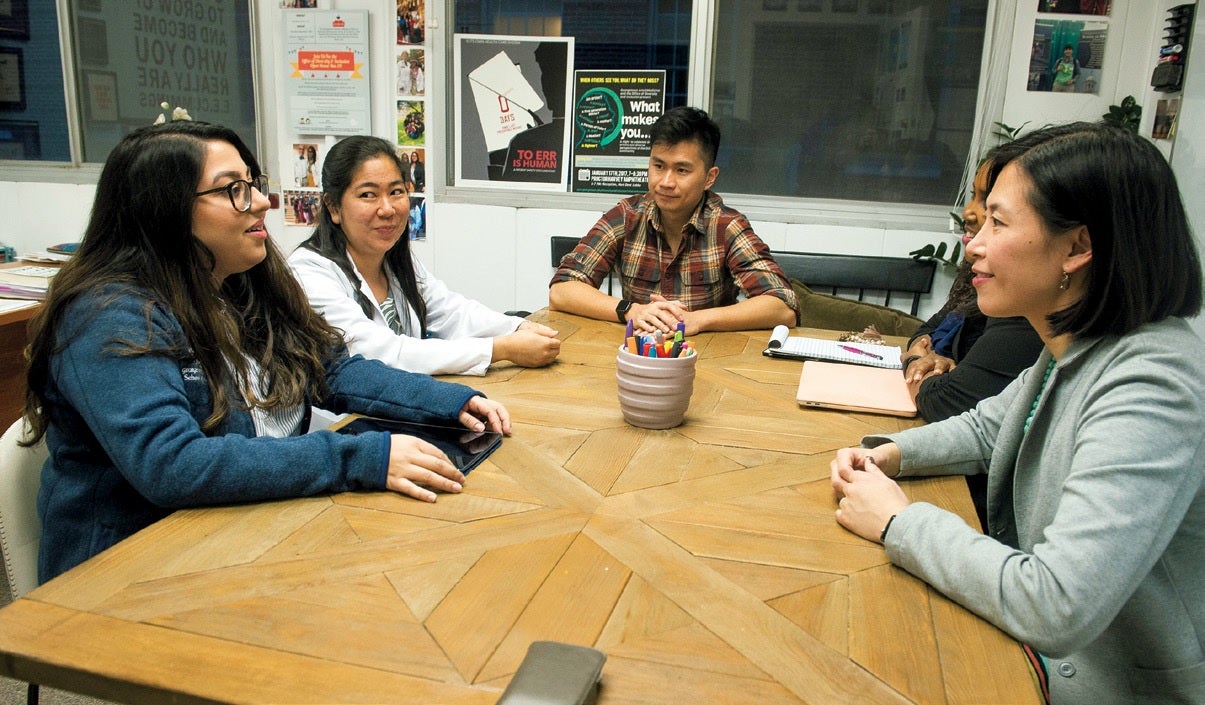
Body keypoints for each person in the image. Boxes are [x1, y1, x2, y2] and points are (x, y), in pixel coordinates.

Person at [22, 121, 512, 584]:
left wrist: (450, 403)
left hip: (249, 529)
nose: (261, 202)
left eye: (252, 183)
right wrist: (361, 456)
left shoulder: (239, 284)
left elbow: (335, 371)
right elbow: (173, 465)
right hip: (134, 568)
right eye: (232, 188)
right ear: (164, 209)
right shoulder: (108, 315)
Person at [829, 122, 1204, 704]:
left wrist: (898, 522)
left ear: (1078, 248)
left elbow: (1057, 604)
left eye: (998, 223)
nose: (973, 244)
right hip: (1038, 662)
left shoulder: (1153, 381)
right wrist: (890, 456)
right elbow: (988, 426)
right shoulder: (1080, 341)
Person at [288, 135, 560, 376]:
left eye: (396, 192)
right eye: (368, 195)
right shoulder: (309, 272)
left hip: (405, 406)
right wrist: (498, 349)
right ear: (333, 207)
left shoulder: (393, 258)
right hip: (345, 423)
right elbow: (380, 354)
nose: (387, 209)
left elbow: (449, 311)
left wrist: (517, 328)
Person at [548, 106, 798, 335]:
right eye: (658, 166)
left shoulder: (726, 227)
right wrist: (631, 310)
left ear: (709, 177)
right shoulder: (627, 216)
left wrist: (698, 320)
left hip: (709, 358)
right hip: (639, 353)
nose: (666, 182)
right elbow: (562, 290)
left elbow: (783, 307)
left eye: (681, 170)